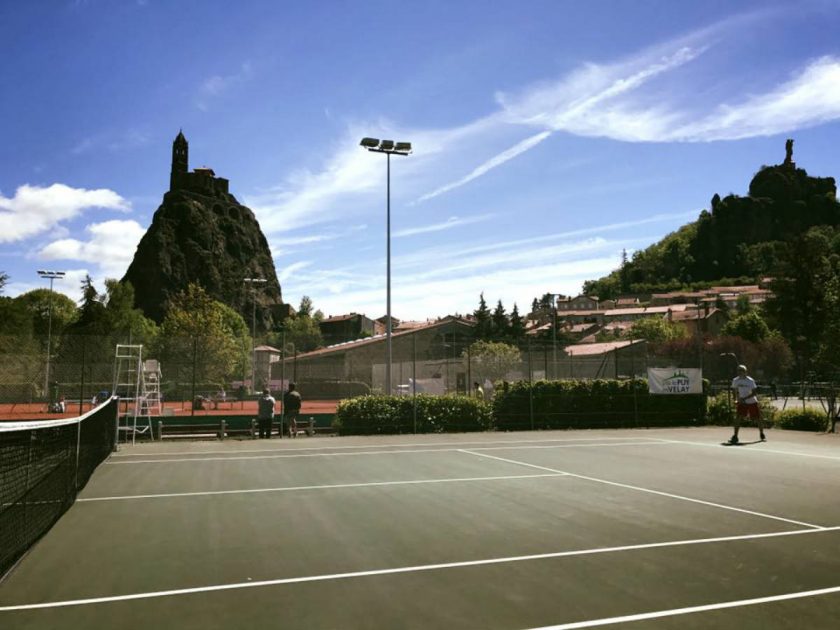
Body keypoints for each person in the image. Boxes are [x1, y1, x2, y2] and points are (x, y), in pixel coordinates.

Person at [728, 364, 766, 445]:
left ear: (745, 372)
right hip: (742, 403)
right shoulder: (735, 380)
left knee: (757, 418)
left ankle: (762, 434)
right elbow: (734, 391)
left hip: (752, 402)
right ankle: (735, 436)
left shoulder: (750, 381)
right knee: (738, 418)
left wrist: (744, 398)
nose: (740, 372)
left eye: (742, 371)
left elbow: (754, 393)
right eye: (739, 371)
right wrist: (735, 399)